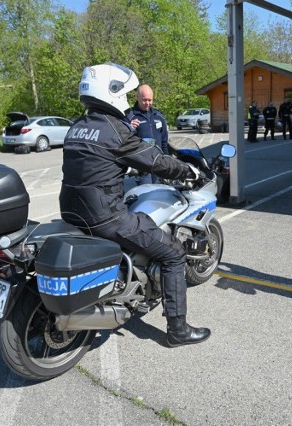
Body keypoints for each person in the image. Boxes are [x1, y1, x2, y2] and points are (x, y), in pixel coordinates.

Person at [59, 62, 211, 347]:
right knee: (173, 252)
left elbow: (90, 164)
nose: (128, 101)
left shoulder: (78, 126)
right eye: (126, 94)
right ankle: (177, 329)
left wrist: (125, 169)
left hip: (71, 211)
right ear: (111, 91)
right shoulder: (114, 130)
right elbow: (157, 160)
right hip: (105, 216)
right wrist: (188, 171)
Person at [128, 84, 169, 184]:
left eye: (150, 100)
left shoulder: (158, 116)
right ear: (137, 97)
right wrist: (128, 128)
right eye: (144, 100)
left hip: (159, 164)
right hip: (142, 167)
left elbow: (164, 142)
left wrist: (167, 161)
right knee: (146, 196)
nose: (147, 103)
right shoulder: (130, 116)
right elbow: (122, 141)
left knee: (160, 195)